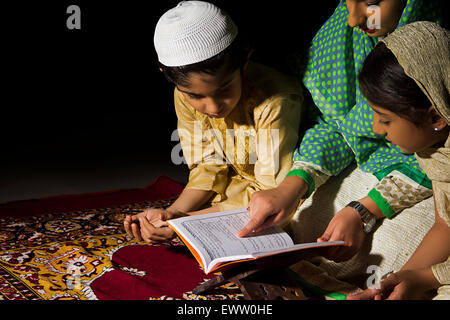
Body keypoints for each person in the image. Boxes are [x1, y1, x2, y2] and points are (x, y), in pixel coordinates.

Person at [238, 0, 443, 263]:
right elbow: (338, 122)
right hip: (373, 160)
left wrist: (364, 210)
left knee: (399, 248)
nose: (353, 20)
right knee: (305, 219)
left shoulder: (437, 52)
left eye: (370, 4)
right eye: (348, 2)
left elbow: (439, 158)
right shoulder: (347, 34)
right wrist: (293, 185)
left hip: (431, 172)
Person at [123, 1, 303, 243]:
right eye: (196, 95)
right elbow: (208, 164)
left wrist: (186, 222)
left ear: (245, 61)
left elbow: (269, 191)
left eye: (225, 89)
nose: (214, 107)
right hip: (241, 191)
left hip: (283, 192)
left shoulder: (275, 101)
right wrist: (174, 212)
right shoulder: (182, 95)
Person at [346, 21, 449, 300]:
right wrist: (393, 284)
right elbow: (446, 226)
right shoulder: (437, 152)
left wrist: (427, 278)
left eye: (386, 119)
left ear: (435, 117)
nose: (377, 129)